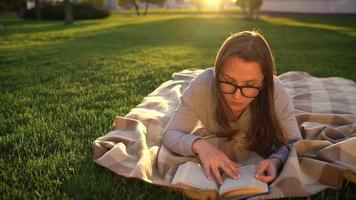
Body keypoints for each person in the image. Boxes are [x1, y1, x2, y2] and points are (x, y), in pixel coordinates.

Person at [162, 31, 302, 185]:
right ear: (217, 73)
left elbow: (294, 141)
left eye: (250, 85)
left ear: (264, 81)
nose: (237, 96)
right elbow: (171, 133)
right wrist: (200, 146)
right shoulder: (202, 86)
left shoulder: (274, 92)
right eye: (228, 81)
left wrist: (277, 160)